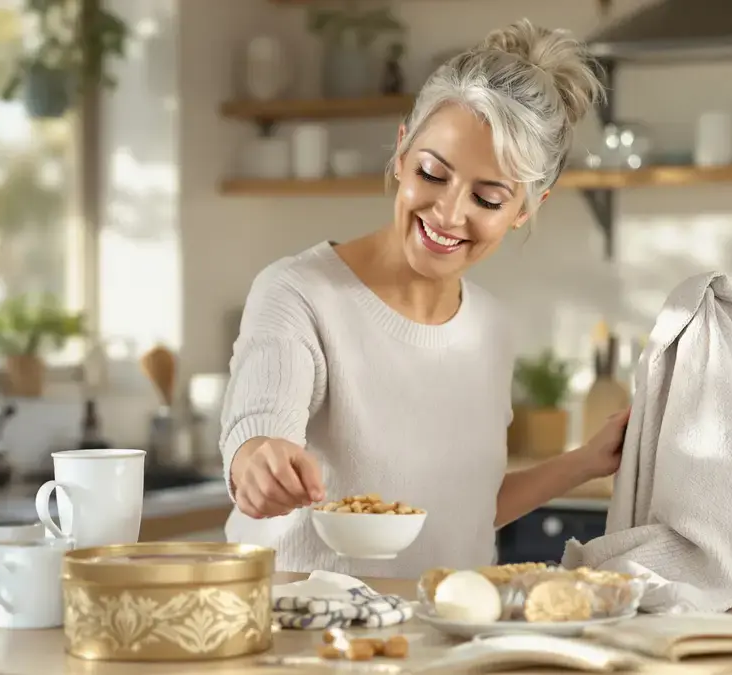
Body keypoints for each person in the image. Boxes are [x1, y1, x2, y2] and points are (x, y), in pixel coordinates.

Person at [219, 19, 630, 578]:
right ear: (401, 150)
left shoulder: (490, 329)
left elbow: (463, 512)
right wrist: (257, 462)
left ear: (526, 209)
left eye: (488, 198)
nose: (448, 213)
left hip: (441, 626)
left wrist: (586, 461)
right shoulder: (299, 293)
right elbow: (259, 424)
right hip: (301, 624)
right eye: (433, 173)